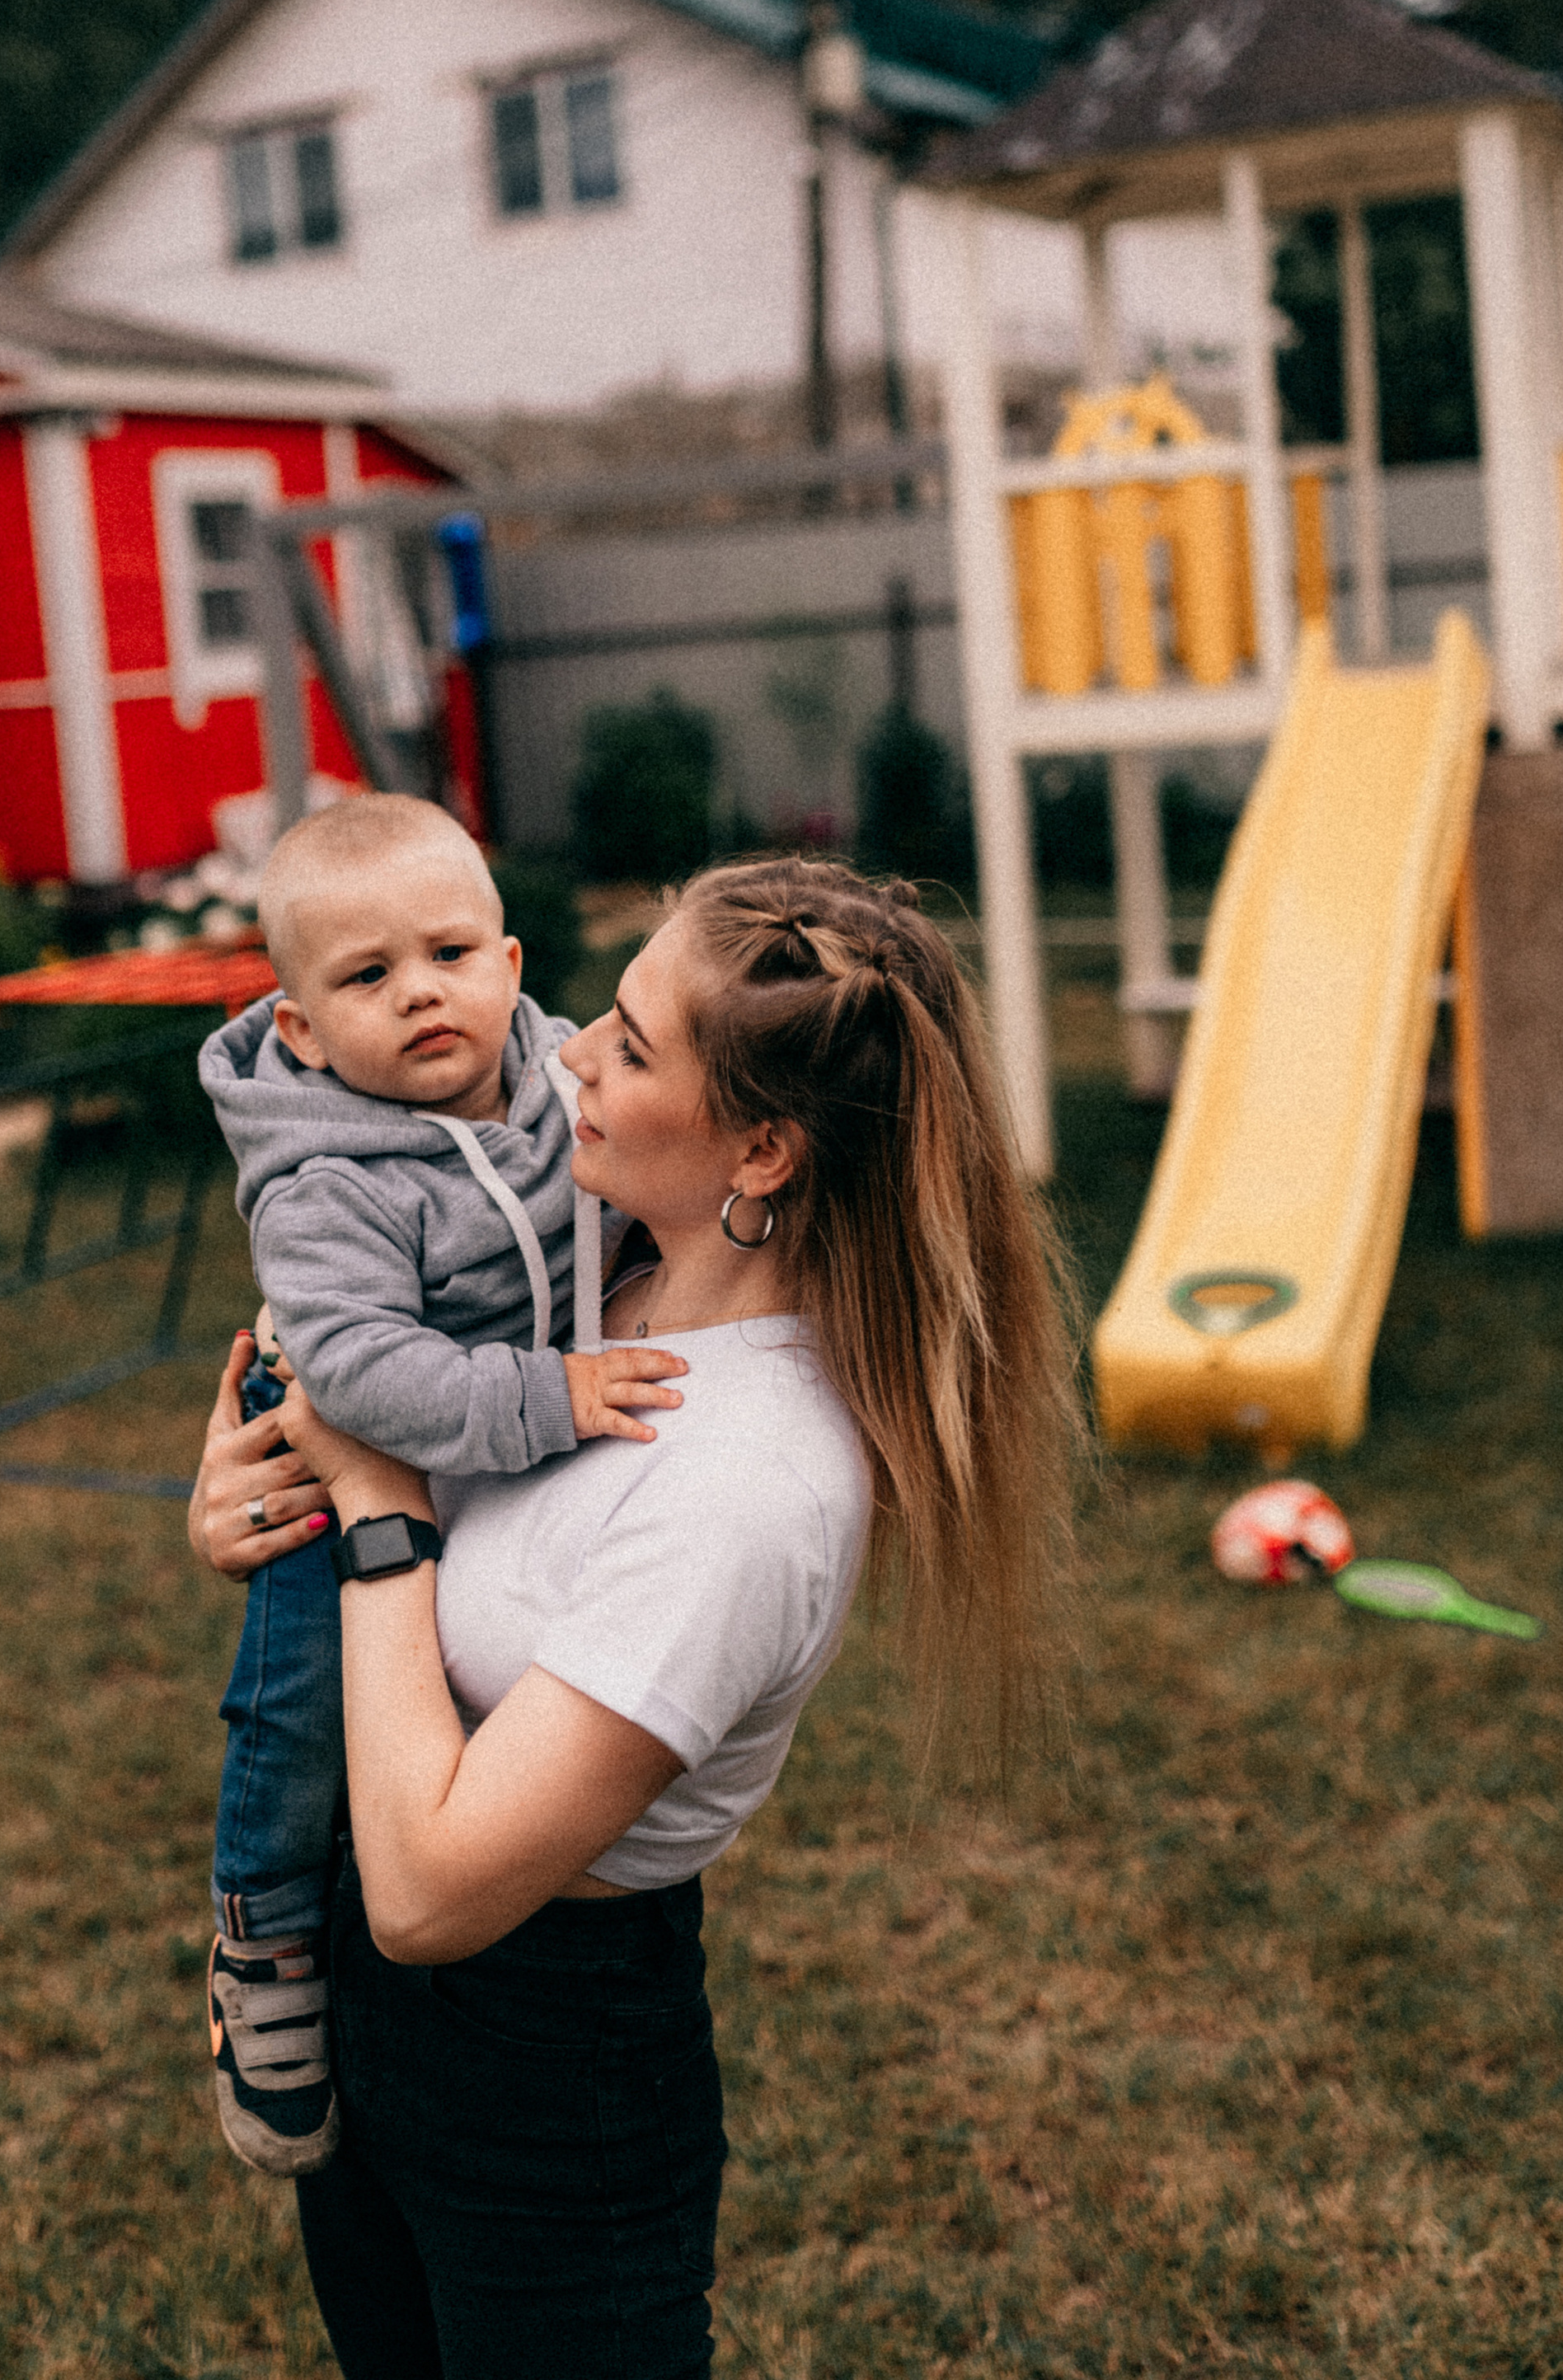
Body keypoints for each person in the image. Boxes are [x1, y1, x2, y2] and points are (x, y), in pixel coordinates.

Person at [189, 853, 1080, 2378]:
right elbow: (365, 1377)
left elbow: (433, 1894)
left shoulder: (752, 1484)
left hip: (549, 2080)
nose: (566, 1050)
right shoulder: (600, 1278)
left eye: (631, 1041)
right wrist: (259, 1496)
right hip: (372, 2035)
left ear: (763, 1153)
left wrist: (376, 1511)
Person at [195, 793, 690, 2171]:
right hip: (345, 1435)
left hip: (490, 1425)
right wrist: (555, 1396)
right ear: (299, 1028)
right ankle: (265, 1931)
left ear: (515, 967)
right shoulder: (322, 1181)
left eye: (450, 955)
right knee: (303, 1709)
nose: (421, 994)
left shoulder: (559, 1077)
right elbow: (356, 1373)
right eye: (366, 977)